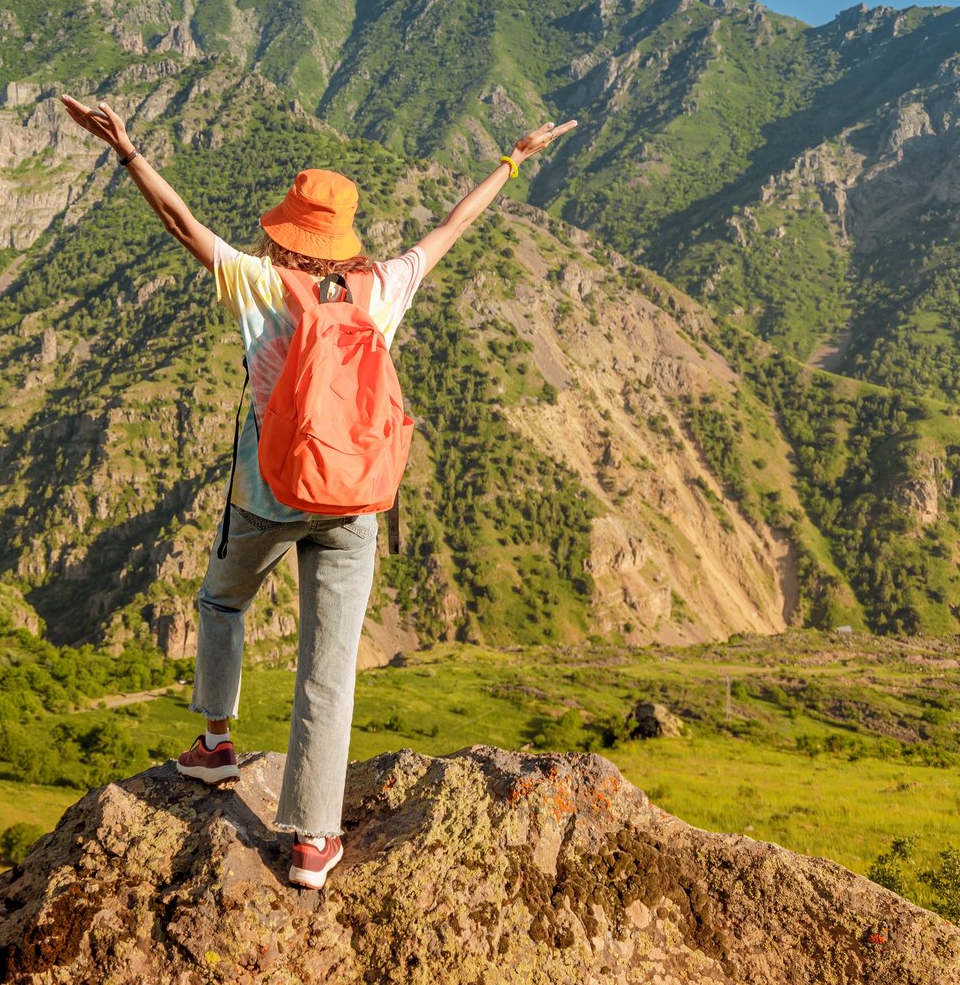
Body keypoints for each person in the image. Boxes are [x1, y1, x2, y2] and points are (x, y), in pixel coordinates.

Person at [57, 92, 574, 890]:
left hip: (264, 497)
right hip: (355, 503)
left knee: (221, 603)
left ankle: (216, 743)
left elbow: (180, 222)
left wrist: (126, 148)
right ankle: (312, 842)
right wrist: (512, 159)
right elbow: (451, 229)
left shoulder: (260, 284)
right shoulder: (384, 289)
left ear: (286, 230)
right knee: (328, 665)